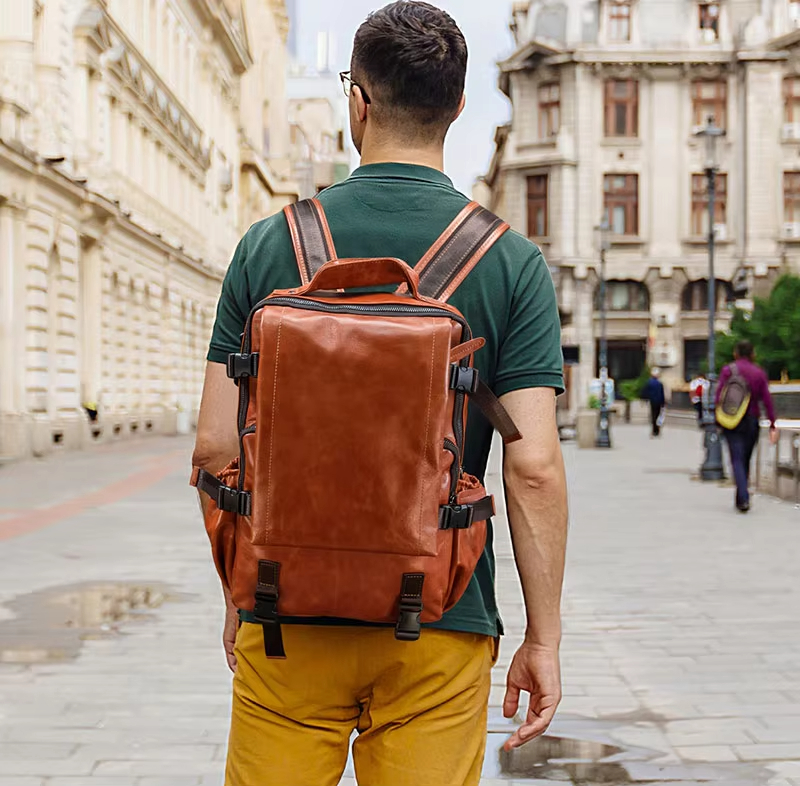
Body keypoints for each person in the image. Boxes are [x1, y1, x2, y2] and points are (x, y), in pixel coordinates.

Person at [191, 4, 569, 785]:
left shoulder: (269, 245)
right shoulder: (511, 262)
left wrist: (241, 585)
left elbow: (216, 447)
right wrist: (543, 636)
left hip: (286, 610)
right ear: (456, 107)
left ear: (357, 101)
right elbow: (533, 467)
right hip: (441, 613)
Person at [716, 340, 779, 513]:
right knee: (745, 459)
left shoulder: (728, 370)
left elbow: (719, 395)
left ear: (736, 353)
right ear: (753, 354)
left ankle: (742, 497)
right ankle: (742, 496)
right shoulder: (759, 373)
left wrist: (718, 418)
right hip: (752, 420)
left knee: (736, 458)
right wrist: (772, 423)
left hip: (732, 420)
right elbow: (767, 400)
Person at [642, 367, 666, 437]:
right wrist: (663, 403)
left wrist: (645, 399)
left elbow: (645, 392)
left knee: (653, 415)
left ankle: (654, 429)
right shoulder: (659, 383)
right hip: (659, 401)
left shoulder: (648, 383)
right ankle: (657, 429)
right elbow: (662, 394)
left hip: (652, 401)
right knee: (658, 415)